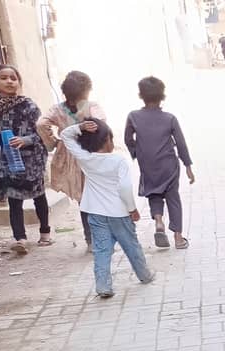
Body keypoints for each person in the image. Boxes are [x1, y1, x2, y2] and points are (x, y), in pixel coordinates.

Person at [59, 118, 153, 298]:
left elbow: (65, 135)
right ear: (108, 140)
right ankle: (144, 275)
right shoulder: (118, 161)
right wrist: (132, 209)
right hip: (119, 213)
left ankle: (103, 285)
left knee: (101, 250)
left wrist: (79, 128)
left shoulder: (85, 158)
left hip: (95, 212)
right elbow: (124, 188)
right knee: (131, 245)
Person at [37, 70, 105, 248]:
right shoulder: (92, 106)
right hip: (90, 156)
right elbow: (101, 122)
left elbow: (41, 124)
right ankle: (98, 238)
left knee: (84, 199)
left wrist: (52, 143)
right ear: (86, 90)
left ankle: (91, 240)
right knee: (96, 197)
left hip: (69, 157)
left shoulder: (57, 109)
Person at [125, 77, 194, 249]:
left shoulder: (133, 117)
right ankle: (178, 238)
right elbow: (181, 143)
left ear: (141, 95)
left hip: (148, 164)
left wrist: (137, 153)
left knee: (154, 194)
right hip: (169, 164)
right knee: (173, 197)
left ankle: (158, 222)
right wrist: (188, 166)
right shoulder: (170, 118)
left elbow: (128, 139)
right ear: (162, 96)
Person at [0, 64, 51, 253]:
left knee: (38, 195)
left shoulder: (29, 105)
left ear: (19, 82)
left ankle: (45, 232)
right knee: (13, 198)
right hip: (7, 159)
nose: (9, 81)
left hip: (31, 159)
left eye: (13, 77)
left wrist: (25, 140)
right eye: (4, 77)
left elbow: (42, 133)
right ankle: (20, 238)